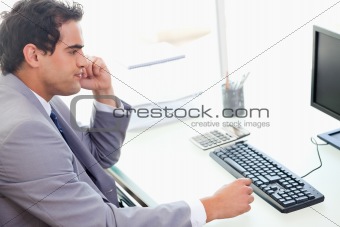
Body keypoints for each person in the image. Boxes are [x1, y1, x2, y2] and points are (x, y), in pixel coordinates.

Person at [0, 0, 254, 226]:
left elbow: (98, 158)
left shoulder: (28, 93)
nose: (84, 61)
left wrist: (104, 91)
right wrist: (211, 207)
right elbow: (102, 223)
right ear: (33, 55)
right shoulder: (25, 130)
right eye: (73, 51)